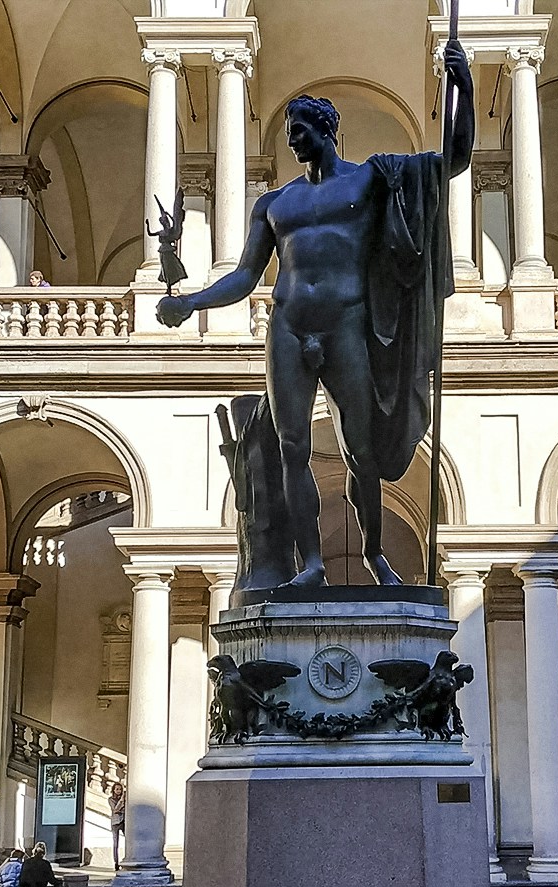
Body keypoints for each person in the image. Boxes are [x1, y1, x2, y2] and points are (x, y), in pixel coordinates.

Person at [157, 41, 474, 588]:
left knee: (362, 450)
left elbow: (454, 160)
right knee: (291, 448)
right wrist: (190, 302)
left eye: (299, 131)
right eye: (288, 135)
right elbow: (244, 277)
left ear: (325, 128)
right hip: (288, 326)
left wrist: (462, 88)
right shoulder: (275, 204)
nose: (293, 141)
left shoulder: (373, 179)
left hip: (348, 322)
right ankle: (312, 565)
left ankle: (374, 555)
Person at [108, 783, 126, 872]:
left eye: (120, 789)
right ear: (113, 790)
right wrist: (121, 801)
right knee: (116, 844)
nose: (119, 791)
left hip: (124, 822)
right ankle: (116, 863)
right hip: (115, 822)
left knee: (129, 840)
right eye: (117, 789)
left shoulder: (125, 799)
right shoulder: (111, 799)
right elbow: (115, 809)